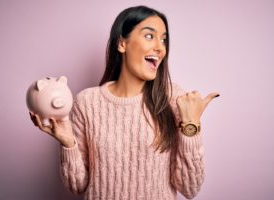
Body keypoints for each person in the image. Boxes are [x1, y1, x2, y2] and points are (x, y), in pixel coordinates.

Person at [30, 5, 219, 200]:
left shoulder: (173, 99)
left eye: (163, 39)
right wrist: (68, 142)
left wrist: (191, 126)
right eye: (149, 36)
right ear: (122, 44)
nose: (160, 47)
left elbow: (190, 188)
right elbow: (78, 186)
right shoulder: (87, 102)